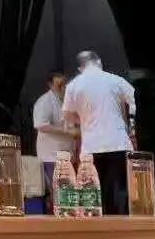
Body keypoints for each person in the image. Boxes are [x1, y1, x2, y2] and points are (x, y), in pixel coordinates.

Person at [62, 51, 135, 215]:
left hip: (92, 145)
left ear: (80, 68)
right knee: (121, 188)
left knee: (96, 191)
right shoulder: (115, 80)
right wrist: (130, 126)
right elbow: (133, 101)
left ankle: (101, 224)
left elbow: (67, 115)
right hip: (118, 142)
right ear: (99, 62)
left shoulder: (73, 86)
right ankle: (124, 222)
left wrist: (84, 120)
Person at [32, 71, 77, 214]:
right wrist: (67, 131)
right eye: (59, 85)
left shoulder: (67, 101)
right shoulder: (44, 102)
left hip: (68, 155)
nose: (63, 87)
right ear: (50, 85)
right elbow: (41, 125)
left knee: (68, 193)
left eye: (65, 84)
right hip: (51, 156)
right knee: (58, 193)